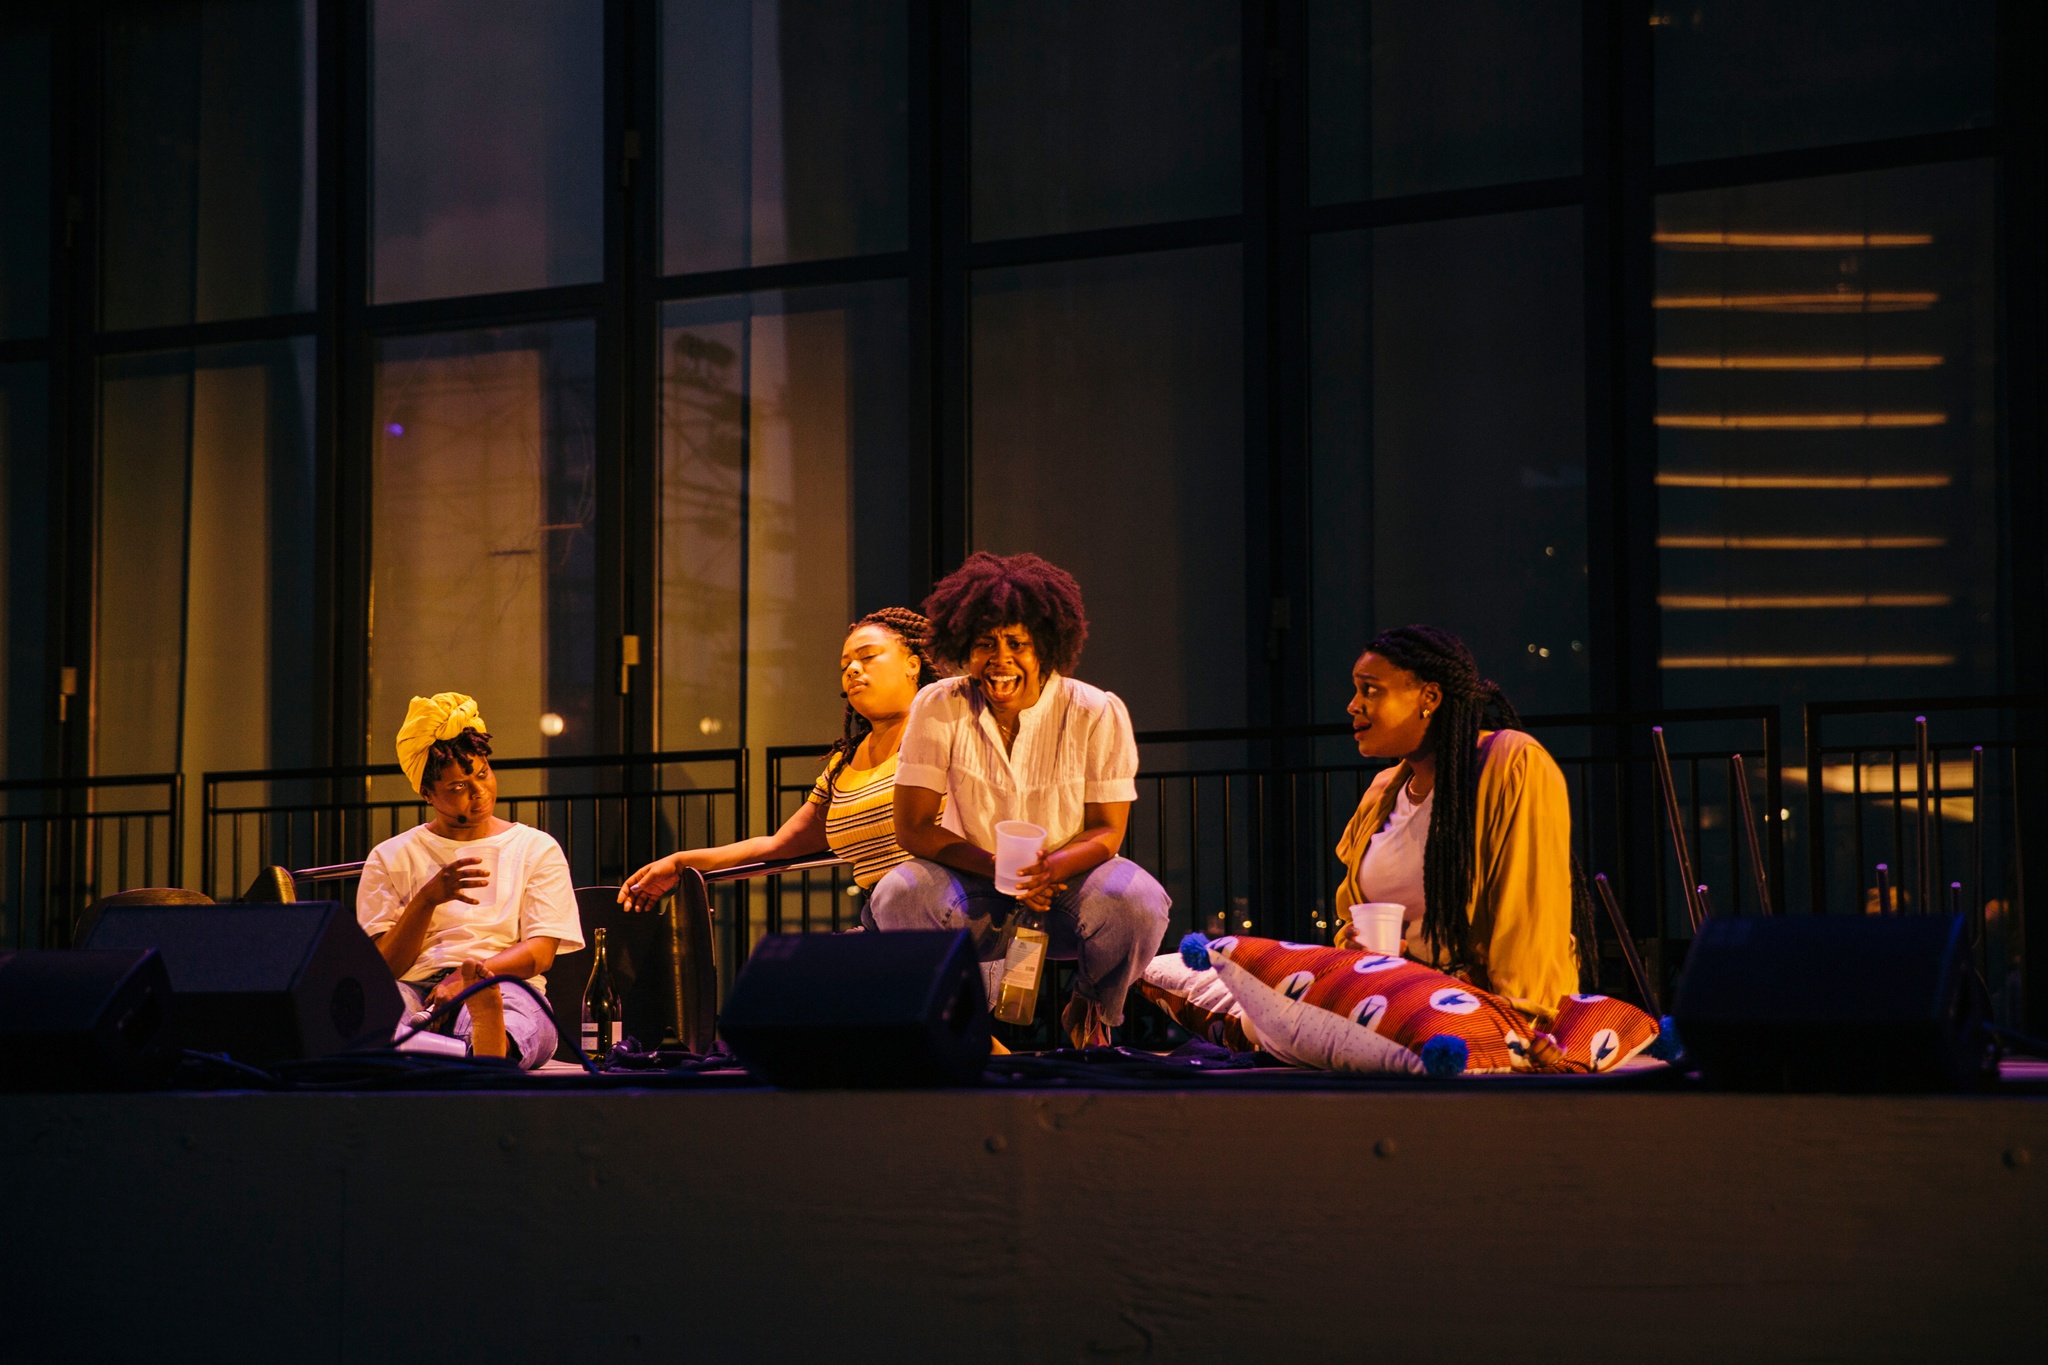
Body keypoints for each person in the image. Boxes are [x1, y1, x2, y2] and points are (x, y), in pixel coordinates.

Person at [871, 552, 1171, 1049]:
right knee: (897, 895)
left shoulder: (1095, 710)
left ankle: (1093, 1005)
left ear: (1048, 649)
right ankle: (961, 1021)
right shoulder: (939, 704)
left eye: (1018, 644)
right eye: (985, 644)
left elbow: (1107, 830)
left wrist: (1049, 869)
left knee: (1138, 903)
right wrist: (1000, 870)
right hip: (974, 884)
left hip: (1071, 886)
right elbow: (915, 827)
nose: (1000, 659)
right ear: (963, 648)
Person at [1330, 625, 1583, 1024]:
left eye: (1370, 689)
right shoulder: (1382, 793)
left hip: (1477, 1013)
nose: (1353, 705)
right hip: (1392, 1003)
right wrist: (1355, 947)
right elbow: (1351, 920)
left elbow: (1528, 919)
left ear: (1429, 697)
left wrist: (1521, 1025)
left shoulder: (1510, 763)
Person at [617, 608, 945, 908]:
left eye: (868, 656)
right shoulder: (842, 768)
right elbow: (777, 845)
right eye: (845, 666)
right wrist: (681, 861)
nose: (853, 670)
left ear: (912, 664)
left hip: (946, 910)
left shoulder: (946, 732)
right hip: (885, 919)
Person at [357, 693, 583, 1068]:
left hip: (502, 980)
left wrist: (471, 980)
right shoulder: (390, 856)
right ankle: (464, 1054)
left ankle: (487, 1043)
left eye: (482, 774)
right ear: (427, 793)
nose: (479, 792)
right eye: (459, 787)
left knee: (521, 1017)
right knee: (376, 1011)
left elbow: (541, 952)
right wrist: (427, 899)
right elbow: (385, 968)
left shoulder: (534, 847)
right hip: (414, 986)